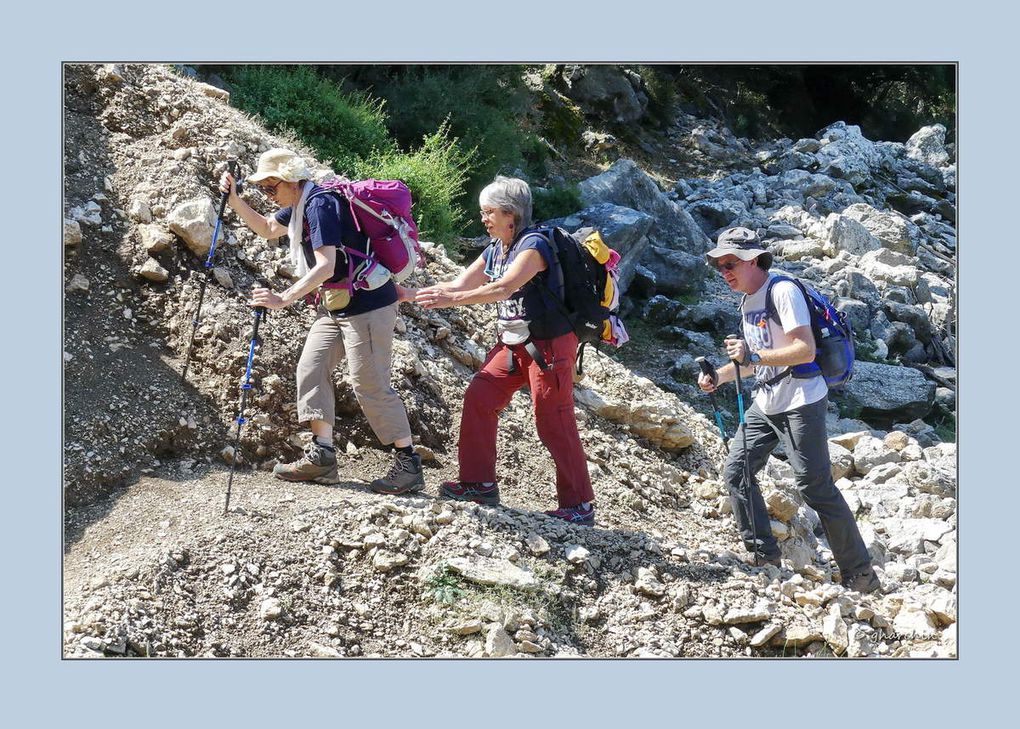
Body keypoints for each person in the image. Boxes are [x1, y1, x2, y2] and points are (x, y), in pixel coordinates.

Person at [219, 148, 423, 495]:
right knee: (311, 367)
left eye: (271, 188)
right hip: (336, 305)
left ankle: (408, 465)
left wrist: (283, 298)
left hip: (369, 305)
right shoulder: (300, 203)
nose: (269, 195)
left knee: (369, 383)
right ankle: (323, 456)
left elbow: (326, 266)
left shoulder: (320, 204)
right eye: (265, 189)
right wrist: (236, 200)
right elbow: (268, 229)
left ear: (291, 181)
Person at [699, 227, 881, 593]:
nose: (724, 272)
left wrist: (753, 356)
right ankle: (763, 556)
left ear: (753, 260)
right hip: (766, 401)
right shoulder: (749, 300)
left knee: (814, 487)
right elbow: (756, 362)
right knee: (736, 471)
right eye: (719, 266)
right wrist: (718, 377)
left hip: (801, 401)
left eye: (729, 263)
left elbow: (805, 349)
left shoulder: (782, 291)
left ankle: (860, 575)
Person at [413, 176, 596, 526]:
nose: (484, 218)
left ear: (511, 214)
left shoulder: (534, 246)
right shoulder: (496, 247)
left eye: (489, 212)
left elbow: (504, 287)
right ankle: (478, 483)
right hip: (514, 342)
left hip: (549, 345)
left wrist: (452, 300)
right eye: (483, 211)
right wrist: (407, 294)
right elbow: (458, 283)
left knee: (552, 419)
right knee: (480, 396)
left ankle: (579, 504)